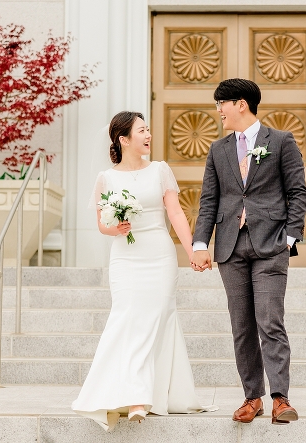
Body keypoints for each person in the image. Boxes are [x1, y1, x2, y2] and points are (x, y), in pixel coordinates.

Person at [71, 111, 215, 431]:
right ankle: (135, 395)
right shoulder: (106, 178)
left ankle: (152, 393)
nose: (148, 135)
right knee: (127, 316)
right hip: (125, 258)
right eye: (142, 131)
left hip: (159, 255)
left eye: (148, 129)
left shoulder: (160, 170)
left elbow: (175, 213)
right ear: (124, 140)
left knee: (159, 316)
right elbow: (102, 224)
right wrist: (117, 228)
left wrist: (193, 250)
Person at [191, 79, 306, 425]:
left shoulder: (281, 141)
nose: (219, 111)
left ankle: (280, 398)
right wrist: (200, 244)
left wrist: (290, 238)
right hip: (230, 246)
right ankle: (252, 397)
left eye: (221, 104)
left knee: (270, 321)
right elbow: (209, 200)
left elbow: (297, 192)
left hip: (271, 244)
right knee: (241, 326)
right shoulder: (218, 149)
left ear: (240, 104)